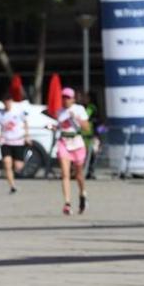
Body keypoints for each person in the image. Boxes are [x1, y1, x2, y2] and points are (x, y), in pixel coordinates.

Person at [54, 87, 91, 215]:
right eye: (63, 97)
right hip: (64, 143)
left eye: (68, 97)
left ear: (73, 99)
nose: (65, 100)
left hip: (77, 144)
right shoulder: (59, 112)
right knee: (65, 174)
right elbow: (59, 127)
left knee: (78, 175)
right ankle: (67, 203)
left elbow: (86, 128)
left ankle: (82, 194)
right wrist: (53, 127)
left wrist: (77, 119)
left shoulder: (79, 109)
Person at [0, 92, 30, 193]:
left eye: (9, 101)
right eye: (5, 102)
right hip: (6, 141)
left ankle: (15, 168)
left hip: (18, 141)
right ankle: (12, 186)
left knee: (18, 166)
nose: (7, 104)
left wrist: (27, 135)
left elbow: (25, 123)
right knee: (7, 163)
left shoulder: (18, 111)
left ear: (11, 101)